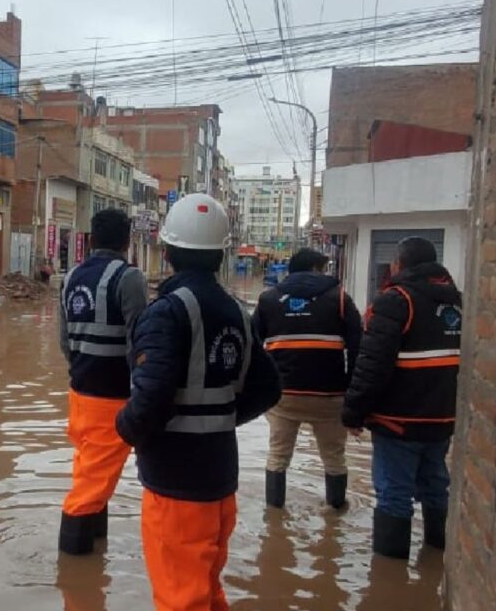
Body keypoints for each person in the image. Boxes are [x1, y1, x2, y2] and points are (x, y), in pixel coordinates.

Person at [116, 193, 282, 610]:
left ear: (167, 251)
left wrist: (125, 427)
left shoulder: (167, 312)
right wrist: (221, 417)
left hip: (177, 487)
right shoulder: (236, 312)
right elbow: (268, 388)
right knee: (206, 592)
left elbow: (150, 396)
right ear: (220, 255)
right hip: (219, 482)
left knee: (180, 599)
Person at [343, 237, 461, 559]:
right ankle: (437, 558)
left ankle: (389, 575)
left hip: (398, 423)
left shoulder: (396, 300)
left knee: (395, 493)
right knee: (437, 486)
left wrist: (353, 414)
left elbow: (372, 365)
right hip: (443, 421)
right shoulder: (459, 301)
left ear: (398, 265)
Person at [57, 209, 149, 555]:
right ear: (127, 242)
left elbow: (64, 342)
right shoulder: (130, 278)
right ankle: (75, 571)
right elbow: (141, 341)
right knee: (89, 488)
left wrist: (84, 369)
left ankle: (95, 553)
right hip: (113, 398)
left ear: (90, 240)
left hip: (79, 392)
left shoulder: (70, 277)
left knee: (91, 472)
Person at [254, 248, 362, 509]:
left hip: (284, 396)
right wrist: (350, 394)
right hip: (329, 397)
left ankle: (274, 516)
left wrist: (264, 388)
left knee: (278, 456)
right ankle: (336, 513)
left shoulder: (268, 300)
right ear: (315, 268)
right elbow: (359, 350)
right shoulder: (340, 300)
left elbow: (252, 347)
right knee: (334, 458)